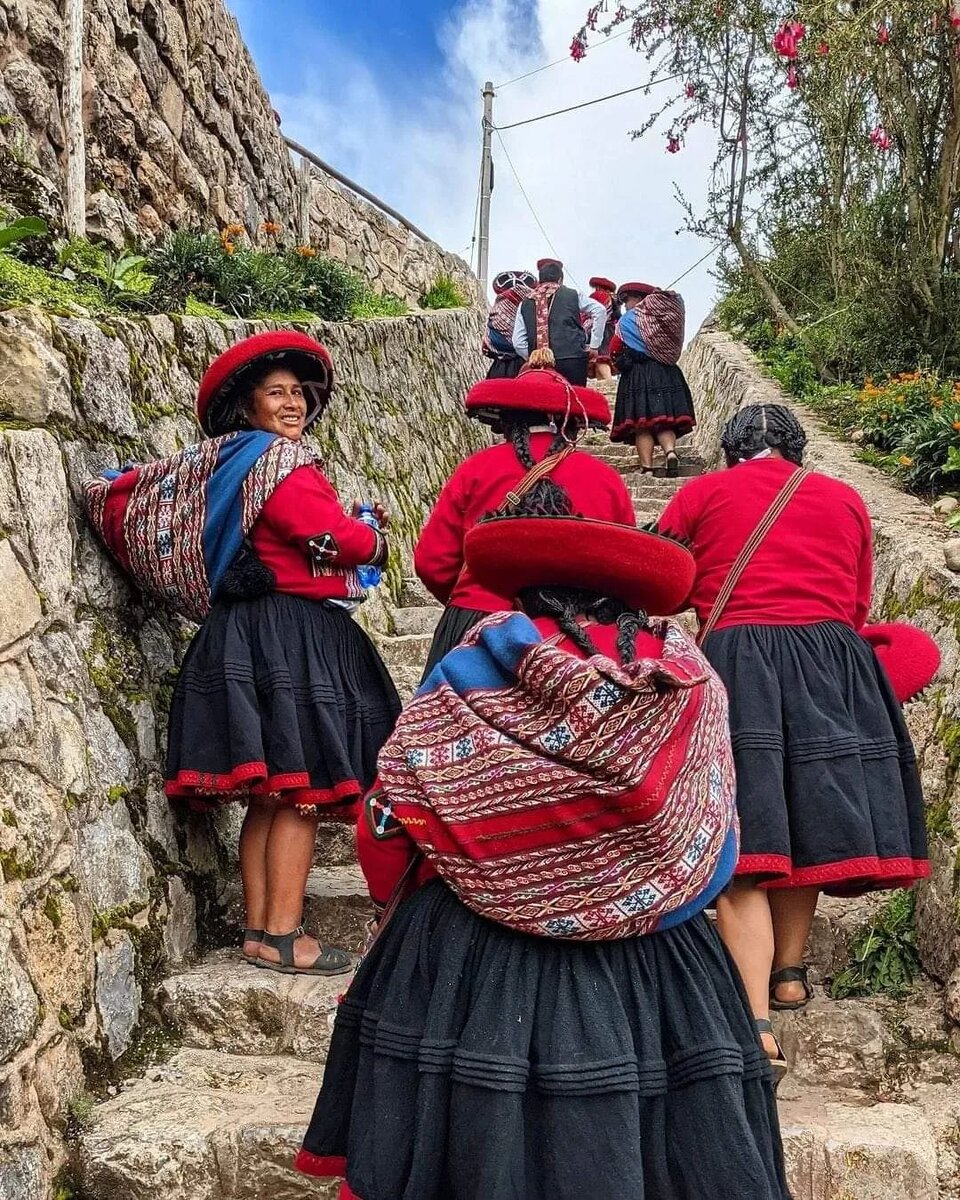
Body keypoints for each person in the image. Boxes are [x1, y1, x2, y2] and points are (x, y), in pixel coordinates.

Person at [295, 499, 792, 1200]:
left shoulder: (470, 674)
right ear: (629, 597)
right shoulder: (691, 681)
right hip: (656, 966)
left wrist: (407, 906)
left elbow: (391, 814)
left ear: (528, 592)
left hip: (473, 957)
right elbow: (714, 837)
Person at [85, 332, 401, 976]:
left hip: (247, 635)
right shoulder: (280, 464)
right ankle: (286, 935)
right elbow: (330, 537)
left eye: (298, 394)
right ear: (248, 404)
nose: (292, 404)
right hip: (289, 638)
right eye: (276, 393)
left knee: (273, 795)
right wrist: (372, 540)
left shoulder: (235, 463)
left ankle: (259, 931)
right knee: (302, 793)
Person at [657, 403, 930, 1069]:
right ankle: (789, 972)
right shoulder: (846, 500)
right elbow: (858, 602)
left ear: (728, 450)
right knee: (803, 818)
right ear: (798, 450)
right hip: (832, 662)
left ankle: (753, 1023)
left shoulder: (701, 493)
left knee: (745, 829)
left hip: (740, 660)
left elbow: (661, 578)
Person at [413, 364, 635, 679]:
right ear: (569, 424)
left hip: (478, 627)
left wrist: (471, 597)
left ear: (507, 419)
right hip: (573, 640)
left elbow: (431, 562)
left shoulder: (476, 469)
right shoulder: (606, 480)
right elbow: (626, 572)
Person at [610, 281, 696, 475]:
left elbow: (614, 347)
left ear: (639, 299)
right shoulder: (663, 319)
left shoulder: (628, 320)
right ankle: (670, 452)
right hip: (665, 372)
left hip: (637, 375)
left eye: (627, 301)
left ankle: (647, 467)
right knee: (663, 420)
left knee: (642, 425)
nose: (625, 306)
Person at [512, 258, 607, 385]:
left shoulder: (525, 303)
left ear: (540, 281)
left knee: (545, 402)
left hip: (540, 367)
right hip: (572, 360)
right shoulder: (572, 294)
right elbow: (600, 310)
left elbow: (517, 342)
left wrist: (534, 356)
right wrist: (594, 345)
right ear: (560, 280)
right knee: (573, 399)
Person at [482, 269, 536, 379]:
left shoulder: (499, 305)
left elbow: (487, 345)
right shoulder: (531, 306)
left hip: (499, 367)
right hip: (526, 366)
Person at [585, 274, 620, 380]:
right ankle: (605, 388)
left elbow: (595, 315)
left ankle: (609, 388)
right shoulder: (613, 299)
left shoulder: (598, 296)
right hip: (610, 332)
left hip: (600, 332)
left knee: (601, 360)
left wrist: (584, 329)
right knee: (603, 362)